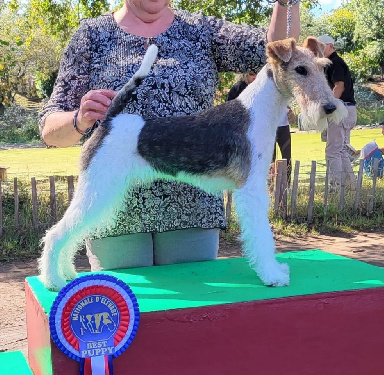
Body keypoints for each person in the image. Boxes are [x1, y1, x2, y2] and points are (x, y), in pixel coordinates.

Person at [39, 0, 300, 272]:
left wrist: (286, 3)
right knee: (123, 298)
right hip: (119, 224)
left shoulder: (202, 29)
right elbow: (49, 129)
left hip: (193, 216)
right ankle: (52, 261)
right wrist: (79, 119)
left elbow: (276, 47)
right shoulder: (90, 34)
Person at [317, 35, 357, 191]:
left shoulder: (335, 63)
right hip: (348, 108)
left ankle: (335, 187)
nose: (319, 50)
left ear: (330, 46)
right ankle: (350, 186)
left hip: (342, 108)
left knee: (333, 150)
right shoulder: (331, 63)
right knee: (341, 150)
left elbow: (339, 86)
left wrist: (330, 107)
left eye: (322, 46)